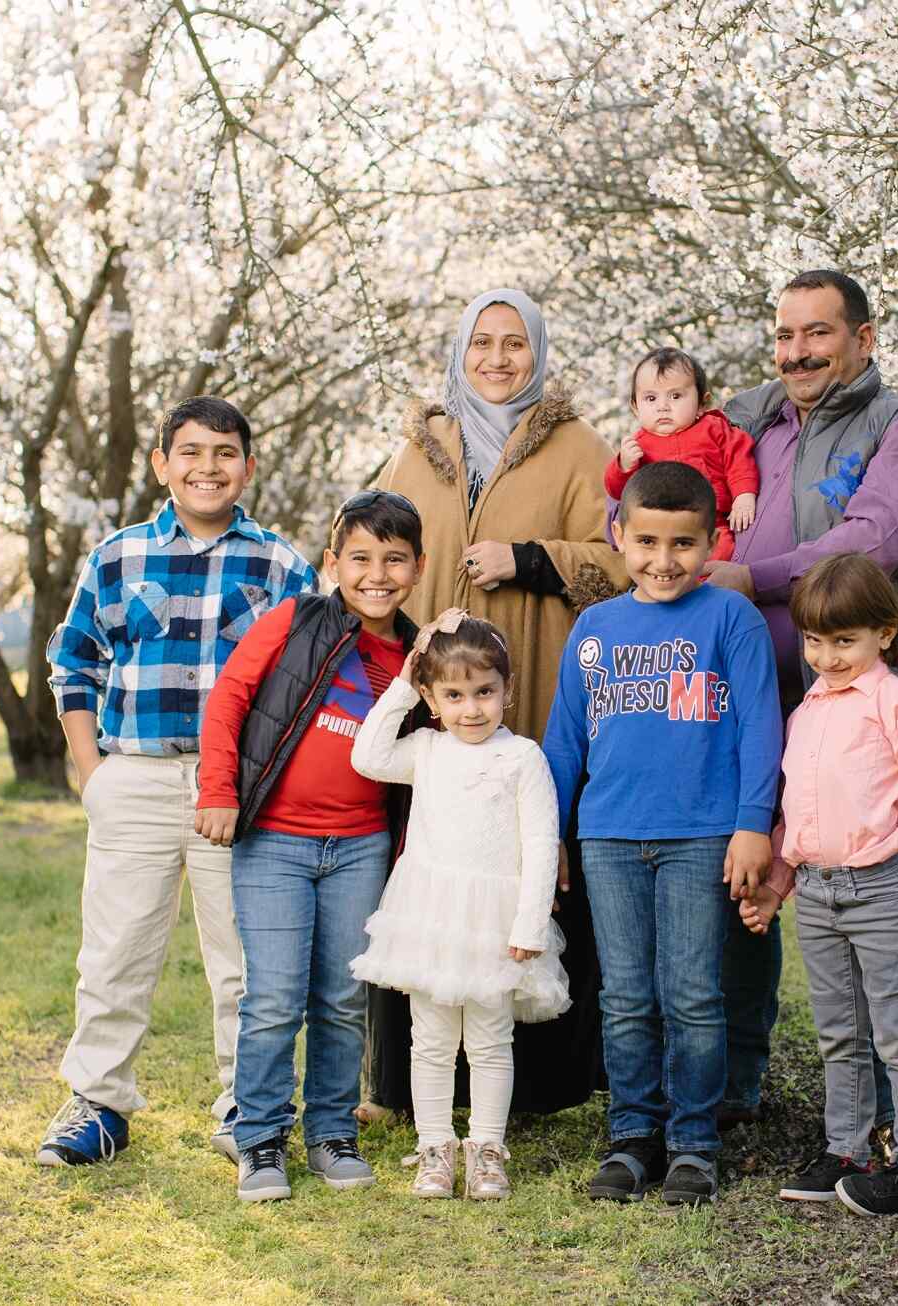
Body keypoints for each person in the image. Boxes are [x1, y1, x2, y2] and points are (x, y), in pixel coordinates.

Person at [705, 269, 898, 1152]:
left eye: (817, 333)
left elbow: (877, 543)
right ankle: (738, 1086)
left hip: (855, 707)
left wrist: (752, 575)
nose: (797, 352)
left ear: (863, 337)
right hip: (750, 696)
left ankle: (891, 1121)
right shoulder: (747, 423)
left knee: (861, 906)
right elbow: (651, 452)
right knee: (749, 876)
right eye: (783, 335)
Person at [37, 396, 317, 1168]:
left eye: (224, 453)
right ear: (162, 465)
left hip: (237, 789)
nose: (207, 467)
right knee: (117, 948)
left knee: (244, 955)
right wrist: (93, 772)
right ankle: (98, 1103)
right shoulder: (118, 556)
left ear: (248, 467)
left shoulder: (281, 566)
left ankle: (245, 1106)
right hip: (136, 775)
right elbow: (75, 664)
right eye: (189, 452)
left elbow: (308, 681)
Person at [370, 288, 630, 1117]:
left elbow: (621, 562)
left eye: (513, 343)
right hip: (430, 708)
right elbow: (368, 545)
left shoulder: (578, 448)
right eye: (481, 341)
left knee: (524, 861)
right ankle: (411, 1084)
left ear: (538, 351)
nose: (496, 358)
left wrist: (529, 558)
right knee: (431, 865)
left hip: (531, 692)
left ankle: (539, 1085)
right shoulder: (420, 448)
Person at [543, 461, 782, 1207]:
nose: (663, 559)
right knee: (624, 995)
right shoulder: (596, 627)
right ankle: (631, 1137)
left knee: (691, 993)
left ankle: (692, 1142)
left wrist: (750, 826)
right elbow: (564, 742)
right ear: (618, 536)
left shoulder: (729, 620)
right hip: (609, 835)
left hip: (701, 836)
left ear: (711, 542)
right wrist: (551, 833)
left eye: (682, 543)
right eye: (646, 541)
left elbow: (760, 729)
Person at [193, 491, 424, 1202]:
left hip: (360, 846)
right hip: (274, 842)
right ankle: (260, 1136)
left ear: (417, 567)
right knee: (272, 996)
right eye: (359, 558)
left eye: (394, 559)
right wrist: (218, 792)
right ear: (333, 563)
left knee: (341, 996)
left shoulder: (417, 656)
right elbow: (229, 698)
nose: (376, 574)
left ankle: (330, 1131)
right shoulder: (293, 621)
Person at [740, 553, 898, 1215]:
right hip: (817, 894)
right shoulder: (807, 709)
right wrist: (777, 884)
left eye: (843, 641)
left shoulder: (897, 703)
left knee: (895, 1032)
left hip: (878, 891)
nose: (826, 656)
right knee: (837, 1032)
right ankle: (846, 1149)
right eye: (813, 641)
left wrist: (891, 841)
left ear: (883, 634)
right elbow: (797, 815)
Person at [349, 610, 569, 1201]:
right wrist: (404, 678)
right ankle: (434, 1148)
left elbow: (541, 842)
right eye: (453, 695)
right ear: (431, 696)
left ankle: (488, 1149)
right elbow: (366, 756)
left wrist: (530, 922)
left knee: (492, 1037)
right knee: (432, 1037)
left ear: (507, 690)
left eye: (484, 693)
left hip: (496, 920)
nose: (471, 709)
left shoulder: (522, 757)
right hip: (433, 915)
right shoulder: (425, 749)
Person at [604, 347, 758, 563]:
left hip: (710, 522)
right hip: (659, 531)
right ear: (635, 407)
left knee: (721, 553)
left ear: (702, 403)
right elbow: (618, 491)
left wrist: (743, 495)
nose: (663, 406)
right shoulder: (637, 446)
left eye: (676, 396)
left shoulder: (713, 428)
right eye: (650, 398)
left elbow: (739, 458)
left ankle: (705, 593)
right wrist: (624, 466)